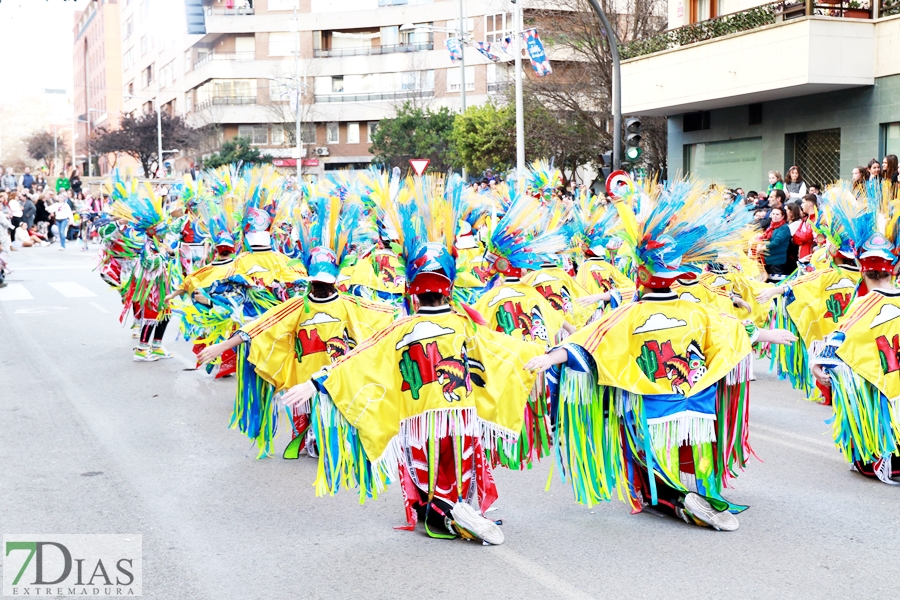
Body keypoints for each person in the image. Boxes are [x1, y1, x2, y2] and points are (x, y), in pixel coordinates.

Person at [282, 174, 546, 546]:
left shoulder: (399, 328)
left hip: (418, 415)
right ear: (449, 288)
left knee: (425, 467)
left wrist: (315, 382)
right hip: (461, 413)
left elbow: (360, 358)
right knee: (461, 464)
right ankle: (453, 509)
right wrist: (548, 355)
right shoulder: (464, 324)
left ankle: (437, 512)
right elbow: (503, 349)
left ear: (412, 290)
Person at [525, 177, 796, 533]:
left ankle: (671, 497)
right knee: (698, 448)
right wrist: (767, 334)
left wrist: (553, 356)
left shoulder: (628, 314)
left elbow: (587, 342)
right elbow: (729, 328)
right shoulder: (695, 309)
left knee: (653, 456)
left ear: (640, 275)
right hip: (697, 402)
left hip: (653, 406)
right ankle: (700, 493)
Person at [761, 206, 791, 281]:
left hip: (777, 262)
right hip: (768, 260)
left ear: (783, 216)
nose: (774, 216)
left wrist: (763, 247)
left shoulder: (784, 228)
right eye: (773, 214)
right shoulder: (772, 226)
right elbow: (767, 239)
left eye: (777, 214)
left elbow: (776, 242)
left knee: (775, 283)